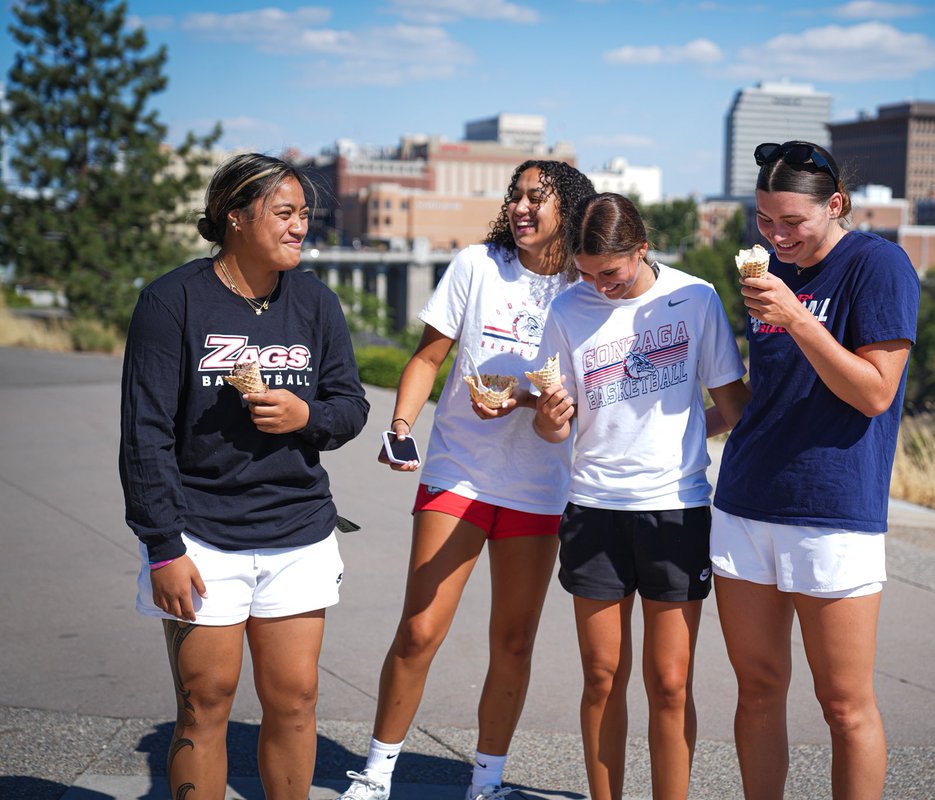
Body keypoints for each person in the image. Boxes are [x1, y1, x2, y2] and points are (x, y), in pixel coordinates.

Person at [337, 160, 596, 800]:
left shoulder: (584, 287)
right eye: (516, 196)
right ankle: (375, 775)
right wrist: (400, 426)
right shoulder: (479, 266)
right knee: (421, 628)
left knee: (513, 642)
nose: (521, 207)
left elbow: (585, 396)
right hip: (459, 470)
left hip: (539, 485)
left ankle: (487, 783)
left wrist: (529, 403)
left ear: (569, 207)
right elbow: (427, 358)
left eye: (538, 198)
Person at [118, 152, 370, 800]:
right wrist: (163, 546)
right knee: (206, 703)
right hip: (199, 536)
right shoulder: (171, 301)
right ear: (234, 217)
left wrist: (303, 414)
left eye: (304, 216)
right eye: (283, 213)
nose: (298, 228)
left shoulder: (314, 302)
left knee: (296, 701)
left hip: (298, 531)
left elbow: (350, 407)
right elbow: (144, 434)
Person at [710, 141, 920, 800]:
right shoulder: (767, 267)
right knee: (759, 690)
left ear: (835, 204)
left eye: (792, 222)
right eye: (764, 220)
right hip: (745, 502)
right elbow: (763, 394)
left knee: (844, 705)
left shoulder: (877, 266)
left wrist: (798, 318)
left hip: (833, 508)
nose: (776, 236)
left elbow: (875, 392)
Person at [532, 192, 750, 800]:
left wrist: (679, 431)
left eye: (611, 272)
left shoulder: (695, 298)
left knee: (671, 681)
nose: (597, 285)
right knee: (601, 678)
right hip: (594, 508)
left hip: (675, 508)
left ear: (642, 249)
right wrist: (550, 416)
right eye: (585, 271)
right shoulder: (566, 310)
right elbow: (554, 427)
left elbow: (733, 408)